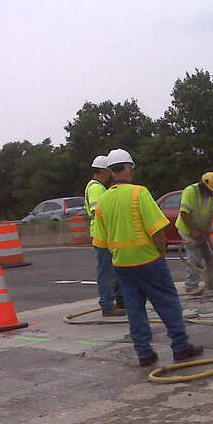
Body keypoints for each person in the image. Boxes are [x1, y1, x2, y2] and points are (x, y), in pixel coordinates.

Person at [92, 148, 203, 367]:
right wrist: (160, 252)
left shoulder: (103, 200)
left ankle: (144, 353)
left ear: (111, 172)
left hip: (122, 264)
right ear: (130, 168)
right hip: (148, 260)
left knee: (134, 309)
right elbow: (157, 229)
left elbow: (101, 241)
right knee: (168, 302)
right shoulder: (139, 193)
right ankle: (180, 347)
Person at [85, 155, 125, 316]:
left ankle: (121, 301)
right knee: (107, 271)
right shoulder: (96, 188)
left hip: (106, 234)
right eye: (109, 171)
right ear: (103, 171)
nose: (111, 174)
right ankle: (107, 305)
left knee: (116, 269)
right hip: (102, 235)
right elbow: (98, 211)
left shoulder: (98, 187)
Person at [176, 172, 213, 292]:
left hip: (202, 230)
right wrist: (193, 230)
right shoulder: (190, 191)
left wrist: (209, 226)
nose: (211, 192)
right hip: (188, 229)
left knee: (210, 256)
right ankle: (191, 286)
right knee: (195, 258)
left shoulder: (211, 194)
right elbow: (184, 213)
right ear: (203, 184)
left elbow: (212, 212)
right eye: (209, 189)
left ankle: (211, 283)